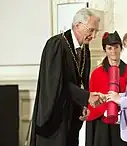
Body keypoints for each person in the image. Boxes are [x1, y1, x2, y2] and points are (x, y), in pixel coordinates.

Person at [30, 8, 104, 146]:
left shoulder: (84, 48)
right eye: (91, 30)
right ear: (78, 25)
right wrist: (85, 96)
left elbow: (81, 80)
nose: (94, 36)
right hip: (55, 117)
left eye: (96, 32)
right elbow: (56, 83)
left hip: (72, 116)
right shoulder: (56, 44)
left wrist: (83, 104)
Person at [85, 31, 127, 146]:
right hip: (102, 124)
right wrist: (105, 109)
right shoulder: (97, 73)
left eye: (116, 47)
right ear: (105, 50)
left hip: (124, 121)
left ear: (121, 48)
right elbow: (92, 100)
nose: (113, 51)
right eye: (109, 48)